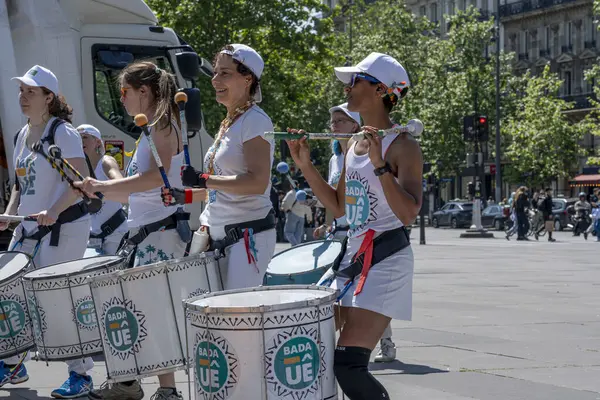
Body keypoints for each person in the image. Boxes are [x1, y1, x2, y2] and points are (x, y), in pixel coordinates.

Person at [287, 52, 421, 399]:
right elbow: (338, 205)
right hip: (352, 258)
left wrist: (380, 166)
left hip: (386, 258)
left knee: (349, 365)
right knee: (321, 353)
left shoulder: (403, 146)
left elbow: (409, 213)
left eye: (355, 81)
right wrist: (304, 165)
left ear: (380, 90)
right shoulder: (353, 142)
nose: (347, 88)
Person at [76, 61, 187, 400]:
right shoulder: (149, 129)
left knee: (153, 312)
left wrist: (105, 186)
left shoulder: (164, 124)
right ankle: (128, 381)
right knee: (133, 310)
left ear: (144, 91)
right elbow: (133, 191)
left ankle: (167, 391)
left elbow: (159, 177)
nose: (121, 98)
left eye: (124, 92)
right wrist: (101, 188)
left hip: (159, 234)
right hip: (144, 232)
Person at [0, 65, 94, 397]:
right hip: (27, 228)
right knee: (8, 294)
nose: (23, 97)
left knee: (57, 303)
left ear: (48, 97)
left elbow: (80, 184)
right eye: (22, 90)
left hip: (64, 228)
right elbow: (19, 186)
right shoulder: (20, 134)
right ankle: (12, 363)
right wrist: (10, 215)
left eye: (31, 92)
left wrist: (53, 211)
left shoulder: (62, 132)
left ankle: (81, 374)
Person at [161, 44, 277, 290]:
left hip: (247, 238)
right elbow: (225, 186)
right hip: (217, 238)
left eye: (225, 73)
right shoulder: (230, 123)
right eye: (215, 72)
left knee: (237, 322)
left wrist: (203, 179)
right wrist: (188, 194)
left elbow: (257, 183)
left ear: (248, 79)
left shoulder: (255, 121)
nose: (214, 80)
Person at [313, 103, 360, 241]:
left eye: (341, 120)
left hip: (359, 232)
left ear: (354, 125)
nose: (335, 125)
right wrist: (326, 224)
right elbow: (332, 198)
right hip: (337, 231)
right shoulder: (334, 159)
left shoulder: (363, 155)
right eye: (333, 121)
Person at [77, 124, 127, 255]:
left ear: (97, 142)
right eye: (77, 138)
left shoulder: (106, 162)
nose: (80, 141)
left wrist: (100, 192)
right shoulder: (77, 168)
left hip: (115, 232)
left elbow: (121, 185)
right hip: (90, 236)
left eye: (85, 137)